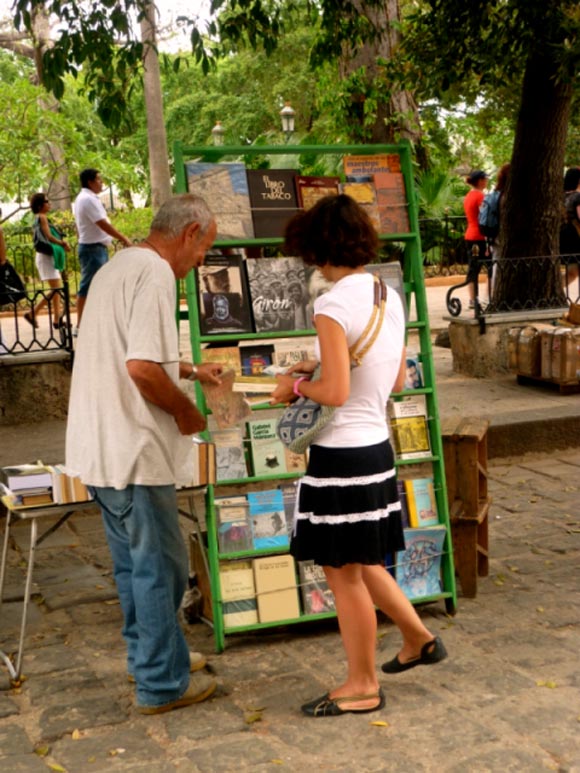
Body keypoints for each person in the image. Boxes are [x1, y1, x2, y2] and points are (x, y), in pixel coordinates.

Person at [271, 194, 446, 719]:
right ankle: (417, 637)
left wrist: (295, 386)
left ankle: (362, 684)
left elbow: (336, 392)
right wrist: (321, 370)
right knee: (362, 559)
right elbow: (391, 379)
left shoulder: (330, 303)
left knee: (342, 573)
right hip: (377, 446)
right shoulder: (386, 295)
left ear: (316, 247)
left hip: (341, 454)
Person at [65, 194, 223, 715]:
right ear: (190, 231)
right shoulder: (156, 274)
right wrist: (186, 413)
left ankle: (153, 657)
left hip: (100, 447)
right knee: (162, 568)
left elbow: (132, 354)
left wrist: (192, 372)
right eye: (205, 249)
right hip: (132, 447)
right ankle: (161, 682)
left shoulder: (119, 266)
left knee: (135, 567)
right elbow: (141, 368)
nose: (202, 262)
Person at [73, 168, 131, 329]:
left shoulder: (86, 198)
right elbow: (102, 223)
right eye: (99, 180)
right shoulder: (87, 199)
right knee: (88, 285)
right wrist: (123, 238)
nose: (101, 183)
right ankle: (81, 324)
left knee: (101, 285)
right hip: (93, 249)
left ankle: (98, 321)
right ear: (90, 182)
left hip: (95, 248)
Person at [24, 193, 70, 330]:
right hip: (46, 258)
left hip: (47, 256)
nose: (49, 203)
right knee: (56, 289)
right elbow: (49, 237)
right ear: (40, 205)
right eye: (46, 201)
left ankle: (56, 319)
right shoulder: (42, 217)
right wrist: (62, 243)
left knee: (56, 289)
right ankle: (33, 313)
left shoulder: (40, 218)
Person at [463, 169, 489, 309]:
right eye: (485, 179)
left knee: (473, 267)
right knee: (490, 266)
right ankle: (486, 297)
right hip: (479, 236)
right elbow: (485, 217)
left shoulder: (468, 196)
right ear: (480, 181)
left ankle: (473, 299)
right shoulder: (480, 196)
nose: (487, 181)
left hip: (470, 234)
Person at [560, 166, 580, 293]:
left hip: (562, 237)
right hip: (576, 238)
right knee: (573, 271)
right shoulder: (577, 197)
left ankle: (554, 292)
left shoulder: (559, 196)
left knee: (572, 271)